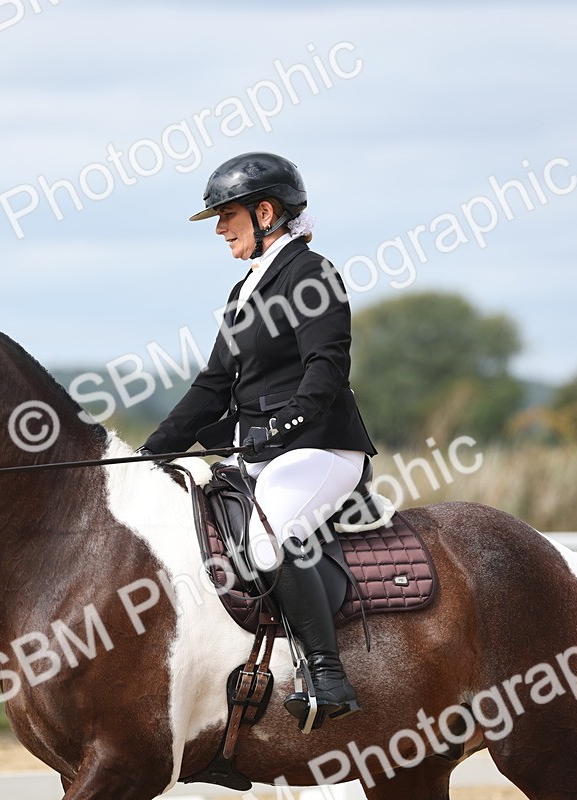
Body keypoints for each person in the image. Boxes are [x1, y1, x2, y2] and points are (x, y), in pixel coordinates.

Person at [140, 152, 377, 728]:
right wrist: (153, 452)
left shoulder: (312, 275)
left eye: (227, 216)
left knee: (270, 541)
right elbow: (212, 386)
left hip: (319, 448)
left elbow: (326, 370)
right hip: (264, 453)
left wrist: (282, 425)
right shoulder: (243, 291)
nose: (220, 229)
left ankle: (327, 675)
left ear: (264, 211)